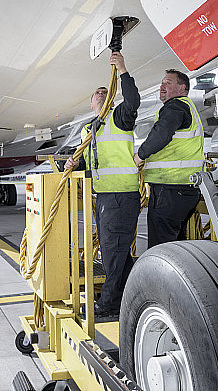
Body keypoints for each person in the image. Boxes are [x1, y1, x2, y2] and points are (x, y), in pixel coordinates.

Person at [65, 51, 141, 317]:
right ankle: (136, 293)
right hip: (105, 197)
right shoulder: (88, 130)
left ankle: (108, 304)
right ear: (90, 104)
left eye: (103, 91)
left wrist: (122, 70)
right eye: (96, 93)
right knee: (118, 253)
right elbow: (88, 163)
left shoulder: (119, 117)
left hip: (120, 195)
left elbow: (133, 100)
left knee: (112, 252)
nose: (100, 93)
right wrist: (73, 165)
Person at [133, 69, 204, 248]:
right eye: (162, 83)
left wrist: (139, 156)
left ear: (183, 88)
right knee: (175, 246)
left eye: (168, 83)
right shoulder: (187, 108)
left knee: (161, 247)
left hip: (170, 188)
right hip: (185, 188)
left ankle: (157, 277)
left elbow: (161, 134)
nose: (162, 87)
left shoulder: (175, 107)